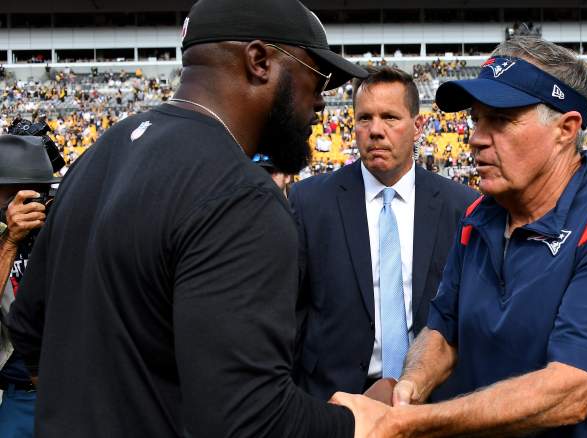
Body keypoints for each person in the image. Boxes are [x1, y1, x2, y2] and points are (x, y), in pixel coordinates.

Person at [6, 0, 370, 437]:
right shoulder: (240, 196)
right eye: (319, 78)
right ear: (259, 61)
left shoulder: (100, 153)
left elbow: (28, 328)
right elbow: (248, 419)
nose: (321, 104)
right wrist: (358, 423)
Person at [332, 36, 587, 437]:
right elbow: (443, 330)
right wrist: (410, 388)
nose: (476, 137)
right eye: (476, 119)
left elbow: (570, 392)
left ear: (566, 129)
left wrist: (404, 423)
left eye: (501, 120)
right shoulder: (479, 216)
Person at [289, 67, 478, 400]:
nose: (375, 131)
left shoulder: (460, 206)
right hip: (332, 398)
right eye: (365, 119)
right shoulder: (309, 202)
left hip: (430, 396)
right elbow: (292, 308)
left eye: (390, 118)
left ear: (418, 126)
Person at [0, 134, 61, 438]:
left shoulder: (65, 226)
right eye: (14, 196)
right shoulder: (3, 238)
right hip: (19, 394)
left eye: (36, 195)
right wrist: (10, 240)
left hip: (72, 388)